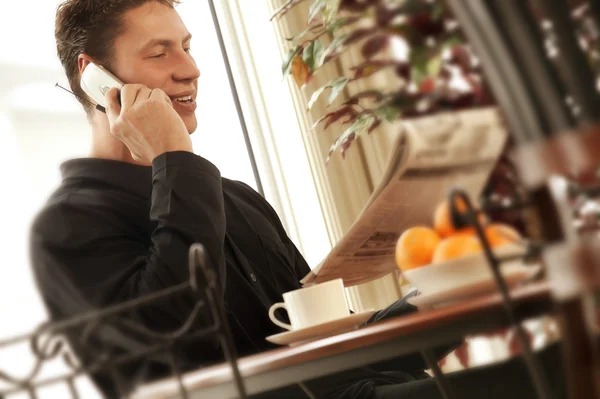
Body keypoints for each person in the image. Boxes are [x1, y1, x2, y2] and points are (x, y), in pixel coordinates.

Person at [30, 1, 569, 398]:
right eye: (159, 51)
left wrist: (448, 294)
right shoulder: (68, 225)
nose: (190, 69)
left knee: (566, 362)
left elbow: (323, 348)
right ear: (94, 77)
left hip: (358, 388)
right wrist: (175, 159)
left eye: (188, 46)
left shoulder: (233, 198)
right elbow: (180, 337)